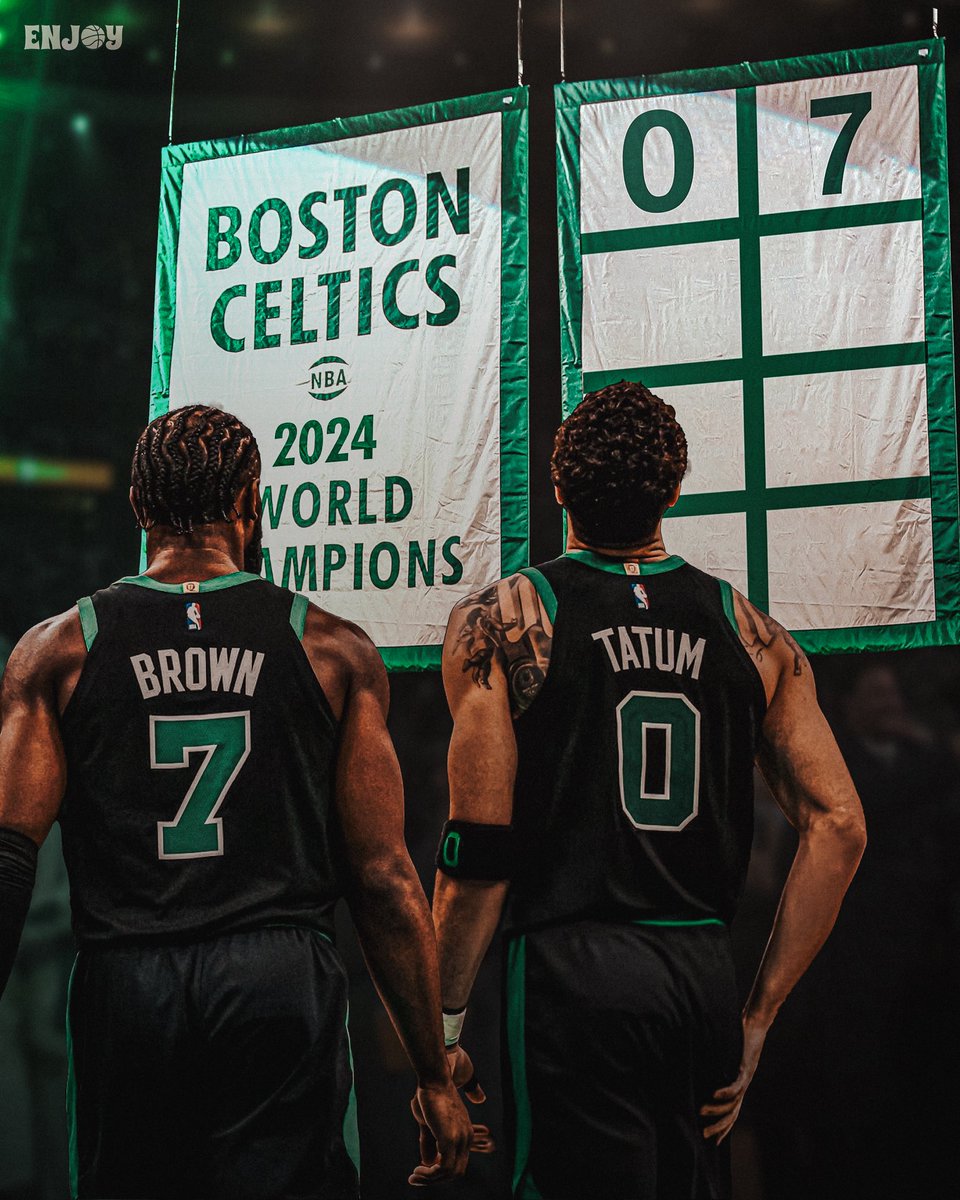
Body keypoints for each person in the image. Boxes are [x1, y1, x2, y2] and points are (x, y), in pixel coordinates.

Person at [0, 405, 472, 1200]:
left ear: (139, 508)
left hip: (130, 982)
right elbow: (384, 878)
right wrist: (434, 1070)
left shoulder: (60, 650)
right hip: (276, 977)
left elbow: (9, 860)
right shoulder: (330, 649)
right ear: (252, 502)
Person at [422, 381, 867, 1199]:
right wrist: (758, 1014)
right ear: (673, 491)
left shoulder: (504, 619)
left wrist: (440, 1036)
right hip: (700, 971)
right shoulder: (750, 630)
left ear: (558, 488)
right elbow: (840, 825)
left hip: (571, 969)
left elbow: (479, 850)